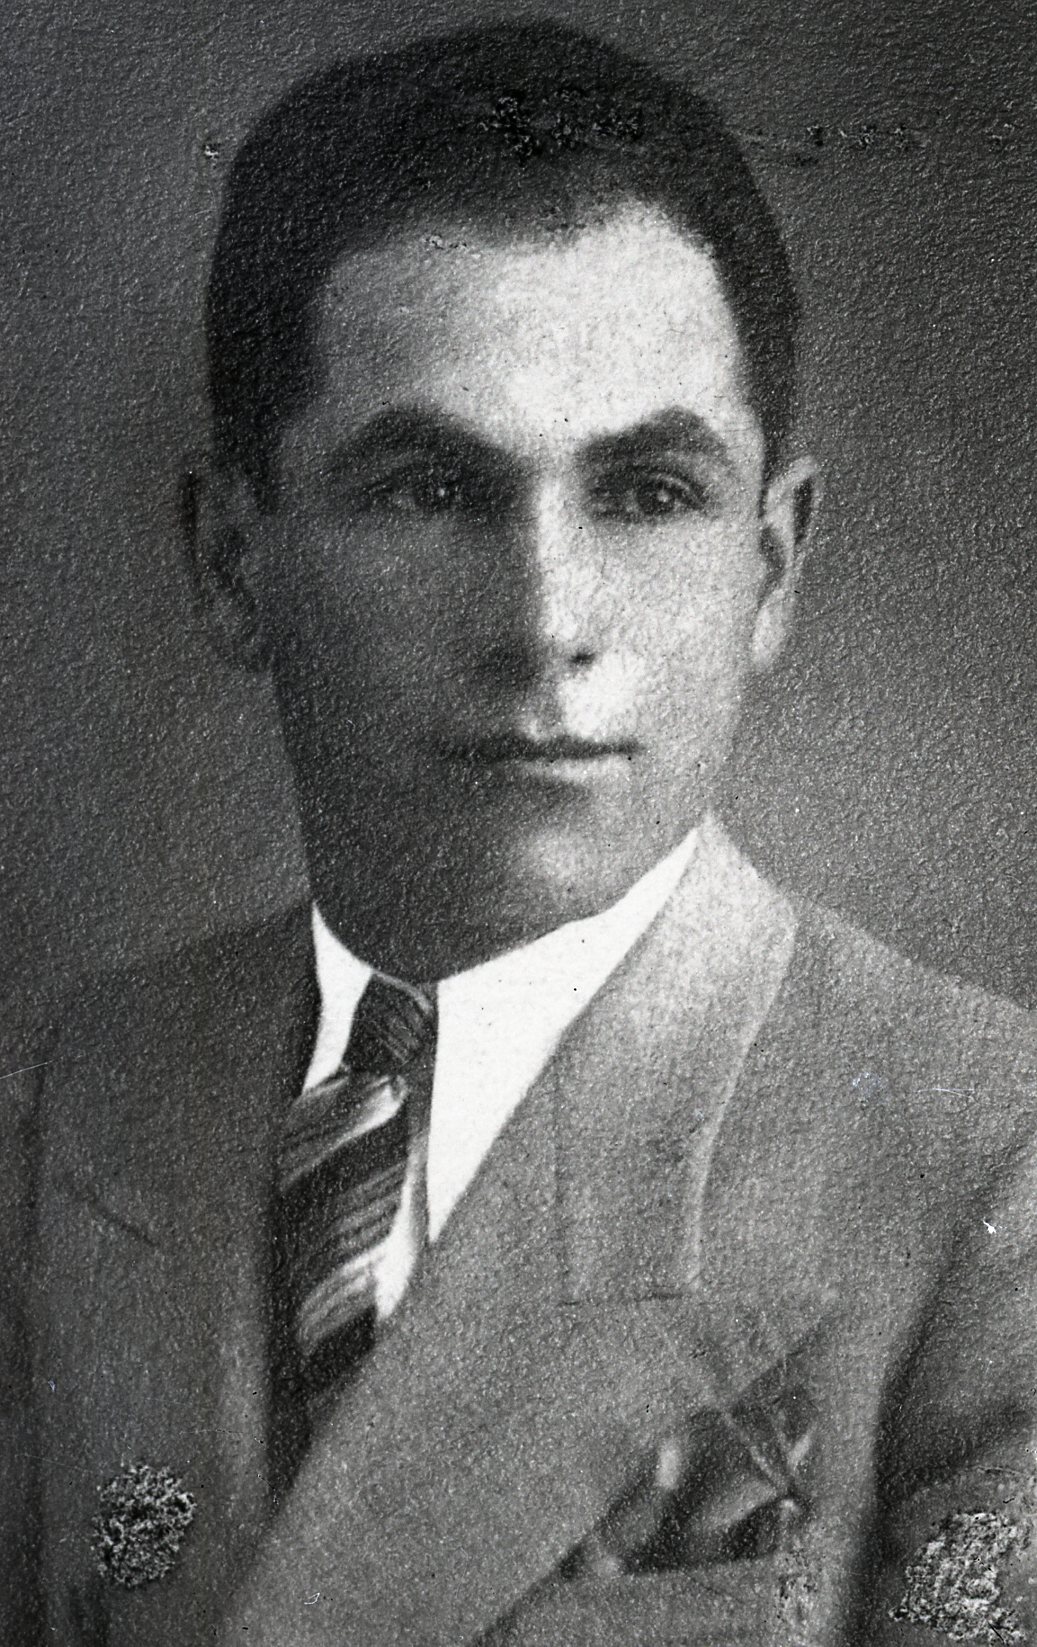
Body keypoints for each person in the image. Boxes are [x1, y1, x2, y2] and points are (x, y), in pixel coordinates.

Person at [3, 20, 1035, 1646]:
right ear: (229, 560)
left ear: (771, 565)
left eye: (646, 494)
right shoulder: (96, 1091)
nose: (548, 624)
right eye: (429, 490)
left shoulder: (987, 1163)